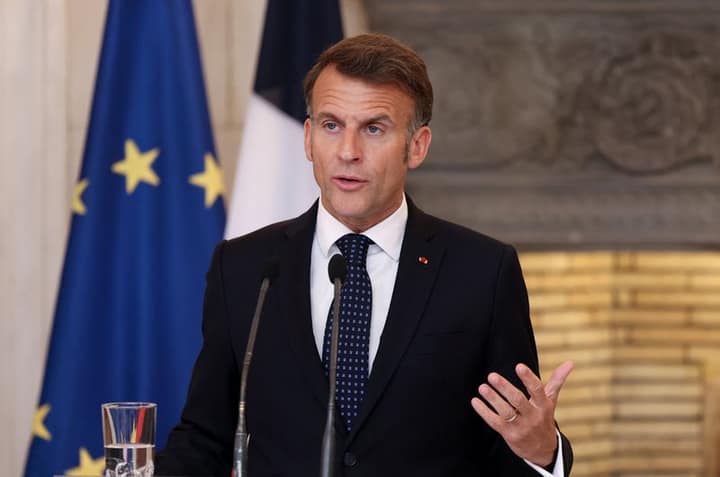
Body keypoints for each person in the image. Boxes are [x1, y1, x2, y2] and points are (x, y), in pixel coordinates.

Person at [156, 33, 574, 477]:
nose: (348, 152)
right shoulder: (244, 267)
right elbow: (206, 438)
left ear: (417, 145)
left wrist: (543, 452)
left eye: (374, 129)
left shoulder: (483, 272)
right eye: (331, 125)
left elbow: (512, 438)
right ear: (308, 138)